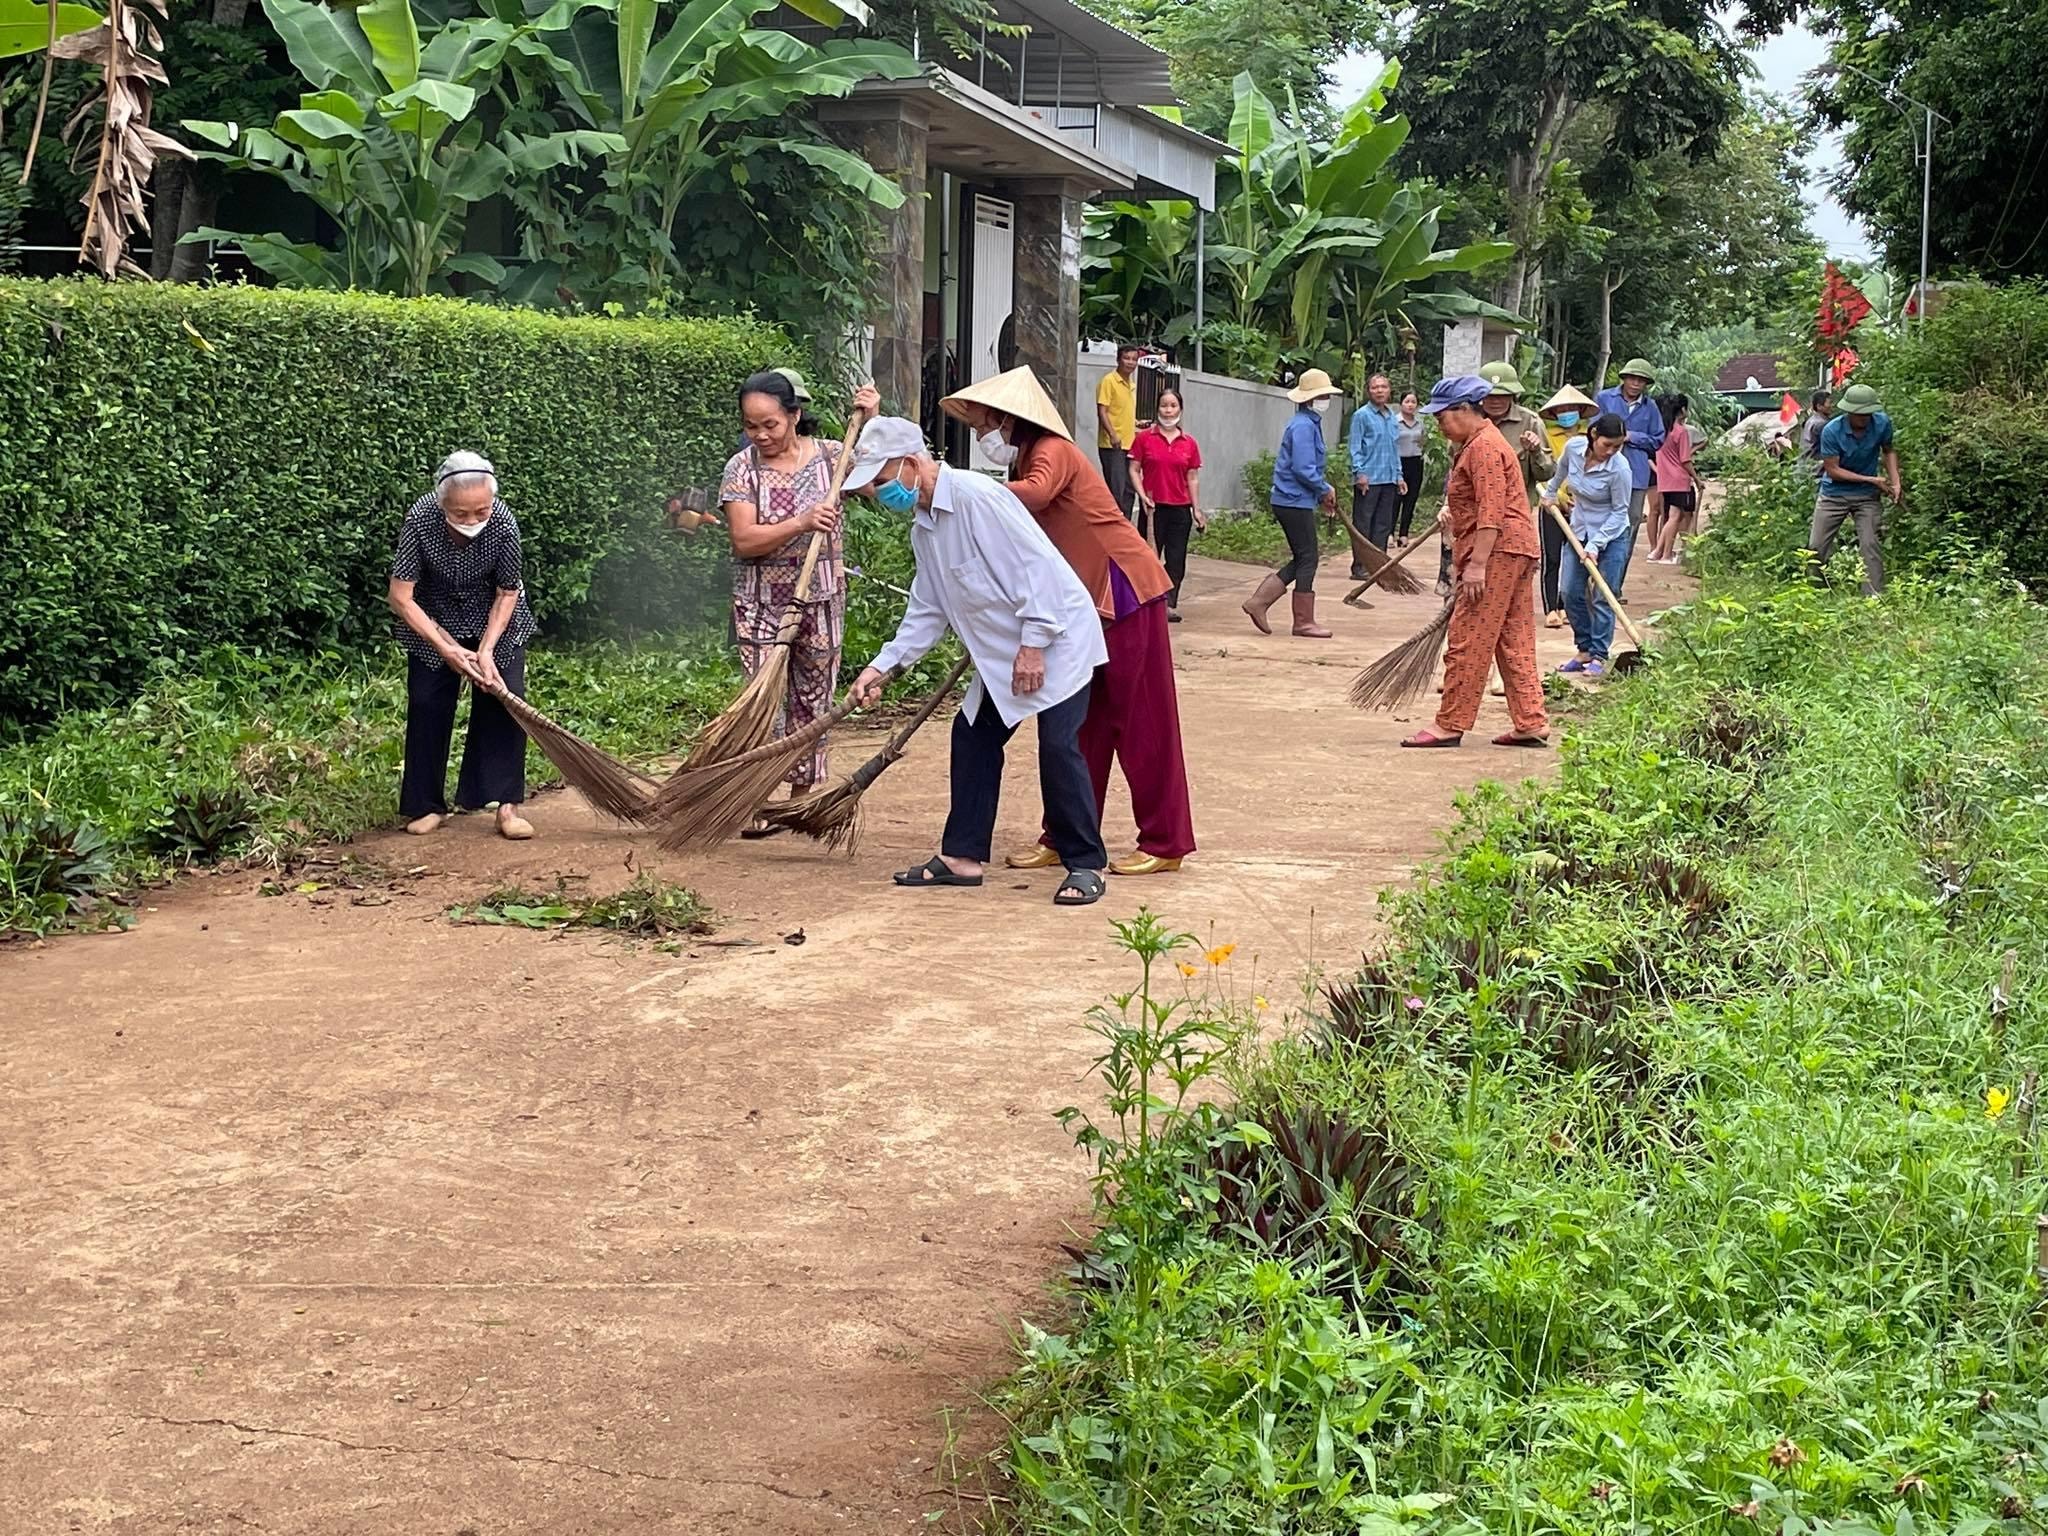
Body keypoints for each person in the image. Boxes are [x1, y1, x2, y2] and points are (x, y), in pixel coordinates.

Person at [842, 416, 1111, 908]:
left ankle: (1086, 862)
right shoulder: (926, 531)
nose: (880, 495)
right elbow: (927, 609)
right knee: (972, 737)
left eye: (882, 481)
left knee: (1057, 744)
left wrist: (1033, 643)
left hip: (1057, 637)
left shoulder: (977, 498)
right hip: (1002, 655)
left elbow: (1037, 568)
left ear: (911, 463)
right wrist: (882, 666)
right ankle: (963, 856)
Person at [942, 366, 1196, 877]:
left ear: (1004, 418)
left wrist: (961, 489)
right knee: (1081, 723)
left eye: (980, 425)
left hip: (1124, 588)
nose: (978, 435)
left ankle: (1166, 840)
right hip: (1084, 602)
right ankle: (1063, 832)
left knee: (1140, 718)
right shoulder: (1031, 454)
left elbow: (1034, 495)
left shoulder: (1050, 451)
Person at [387, 451, 539, 840]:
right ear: (442, 503)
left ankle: (506, 806)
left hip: (495, 613)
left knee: (504, 700)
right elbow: (401, 596)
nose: (472, 520)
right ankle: (426, 805)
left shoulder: (503, 522)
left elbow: (508, 592)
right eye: (460, 513)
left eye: (480, 512)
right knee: (427, 702)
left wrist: (486, 649)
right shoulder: (420, 519)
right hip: (434, 615)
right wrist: (446, 647)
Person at [719, 369, 845, 826]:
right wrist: (802, 522)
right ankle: (754, 797)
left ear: (794, 415)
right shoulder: (742, 468)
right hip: (761, 603)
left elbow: (883, 468)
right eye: (751, 425)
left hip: (822, 597)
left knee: (813, 697)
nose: (760, 435)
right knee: (763, 701)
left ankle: (799, 795)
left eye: (769, 424)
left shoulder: (832, 457)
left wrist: (869, 417)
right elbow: (744, 539)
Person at [1403, 376, 1549, 750]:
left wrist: (1477, 564)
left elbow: (1491, 512)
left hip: (1498, 551)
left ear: (1465, 410)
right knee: (1513, 636)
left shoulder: (1483, 447)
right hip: (1515, 549)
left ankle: (1450, 723)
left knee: (1469, 636)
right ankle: (1531, 720)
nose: (1438, 424)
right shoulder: (1478, 444)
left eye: (1442, 416)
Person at [1439, 363, 1553, 599]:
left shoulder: (1529, 423)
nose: (1496, 401)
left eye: (1503, 395)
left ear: (1514, 395)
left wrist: (1535, 452)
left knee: (1491, 597)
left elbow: (1546, 473)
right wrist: (1447, 504)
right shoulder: (1465, 425)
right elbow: (1455, 473)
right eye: (1490, 395)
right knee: (1460, 589)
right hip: (1468, 523)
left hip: (1507, 525)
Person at [1244, 368, 1342, 638]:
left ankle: (1260, 602)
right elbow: (1302, 468)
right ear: (1312, 398)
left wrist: (1322, 491)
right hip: (1292, 500)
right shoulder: (1302, 426)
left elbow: (1307, 468)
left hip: (1296, 499)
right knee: (1309, 557)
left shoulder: (1308, 423)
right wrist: (1323, 489)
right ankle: (1302, 621)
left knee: (1303, 556)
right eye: (1323, 395)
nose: (1327, 400)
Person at [1540, 413, 1635, 679]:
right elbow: (1560, 473)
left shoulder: (1620, 469)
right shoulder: (1573, 448)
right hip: (1579, 529)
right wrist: (1549, 495)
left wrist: (1596, 544)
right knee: (1569, 591)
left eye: (1618, 446)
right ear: (1593, 436)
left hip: (1612, 535)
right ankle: (1584, 649)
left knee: (1603, 595)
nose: (1612, 451)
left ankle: (1600, 654)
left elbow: (1619, 512)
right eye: (1608, 445)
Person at [1809, 381, 1901, 595]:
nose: (1864, 419)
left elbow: (1889, 451)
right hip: (1834, 495)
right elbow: (1833, 470)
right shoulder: (1831, 431)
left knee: (1870, 546)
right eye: (1859, 415)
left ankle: (1873, 599)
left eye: (1868, 414)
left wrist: (1895, 482)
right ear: (1848, 412)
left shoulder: (1882, 424)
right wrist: (1872, 480)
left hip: (1866, 497)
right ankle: (1814, 592)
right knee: (1815, 547)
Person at [1128, 387, 1205, 622]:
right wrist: (1142, 495)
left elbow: (1192, 477)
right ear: (1157, 408)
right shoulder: (1144, 439)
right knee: (1149, 557)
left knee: (1176, 558)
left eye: (1173, 406)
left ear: (1180, 409)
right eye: (1164, 405)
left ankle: (1168, 604)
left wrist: (1196, 509)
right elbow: (1133, 469)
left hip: (1180, 508)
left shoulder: (1189, 443)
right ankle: (1148, 601)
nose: (1168, 410)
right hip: (1153, 507)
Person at [1594, 358, 1665, 587]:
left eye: (1641, 380)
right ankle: (1594, 581)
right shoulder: (1605, 398)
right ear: (1624, 379)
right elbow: (1592, 430)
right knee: (1599, 523)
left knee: (1629, 527)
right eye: (1632, 378)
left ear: (1646, 384)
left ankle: (1614, 586)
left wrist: (1631, 436)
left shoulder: (1650, 407)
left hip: (1636, 476)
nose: (1635, 383)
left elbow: (1658, 440)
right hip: (1604, 470)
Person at [1535, 385, 1596, 629]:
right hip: (1552, 505)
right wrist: (1558, 497)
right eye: (1561, 409)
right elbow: (1544, 469)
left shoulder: (1590, 436)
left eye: (1571, 408)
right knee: (1552, 558)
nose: (1566, 412)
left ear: (1580, 411)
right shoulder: (1547, 436)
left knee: (1579, 557)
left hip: (1583, 507)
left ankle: (1568, 605)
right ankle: (1551, 607)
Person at [1345, 372, 1403, 576]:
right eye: (1375, 387)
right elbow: (1355, 447)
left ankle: (1380, 566)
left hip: (1388, 479)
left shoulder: (1392, 417)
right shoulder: (1361, 416)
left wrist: (1399, 475)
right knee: (1363, 524)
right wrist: (1359, 472)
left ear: (1389, 390)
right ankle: (1360, 566)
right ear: (1369, 391)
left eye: (1383, 387)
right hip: (1368, 479)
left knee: (1383, 524)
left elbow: (1395, 448)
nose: (1379, 391)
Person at [1648, 395, 1702, 564]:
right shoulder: (1681, 432)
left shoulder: (1662, 431)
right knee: (1675, 517)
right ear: (1683, 410)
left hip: (1664, 480)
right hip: (1679, 480)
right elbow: (1685, 460)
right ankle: (1665, 555)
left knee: (1670, 517)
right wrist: (1697, 479)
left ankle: (1657, 552)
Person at [1095, 343, 1142, 525]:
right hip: (1112, 445)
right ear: (1118, 359)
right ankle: (1114, 528)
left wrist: (1137, 425)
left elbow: (1122, 412)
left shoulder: (1131, 385)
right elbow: (1103, 411)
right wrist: (1112, 434)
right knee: (1117, 490)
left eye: (1134, 359)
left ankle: (1126, 526)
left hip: (1130, 444)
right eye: (1127, 358)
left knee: (1130, 490)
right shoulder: (1109, 381)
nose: (1130, 363)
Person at [1394, 389, 1426, 546]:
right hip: (1399, 462)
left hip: (1416, 462)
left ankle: (1404, 533)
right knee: (1395, 499)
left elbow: (1423, 442)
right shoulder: (1394, 422)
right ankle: (1389, 533)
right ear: (1401, 404)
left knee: (1411, 499)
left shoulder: (1420, 423)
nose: (1410, 405)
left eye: (1413, 402)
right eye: (1407, 401)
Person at [1801, 389, 1833, 461]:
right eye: (1829, 403)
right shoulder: (1820, 424)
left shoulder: (1812, 420)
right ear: (1819, 406)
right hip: (1816, 465)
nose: (1832, 406)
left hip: (1807, 462)